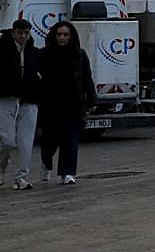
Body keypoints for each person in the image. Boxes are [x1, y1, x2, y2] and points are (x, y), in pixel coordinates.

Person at [38, 20, 95, 186]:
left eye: (65, 35)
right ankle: (46, 162)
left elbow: (87, 78)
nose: (62, 38)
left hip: (73, 104)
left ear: (71, 37)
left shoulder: (79, 55)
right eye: (59, 34)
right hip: (51, 105)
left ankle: (68, 172)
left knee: (70, 139)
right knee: (50, 138)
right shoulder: (45, 55)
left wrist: (91, 99)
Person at [0, 19, 41, 190]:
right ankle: (2, 167)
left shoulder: (34, 52)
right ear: (13, 33)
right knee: (7, 140)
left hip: (29, 100)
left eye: (26, 33)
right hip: (6, 98)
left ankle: (21, 177)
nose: (23, 36)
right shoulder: (3, 50)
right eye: (19, 32)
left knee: (26, 141)